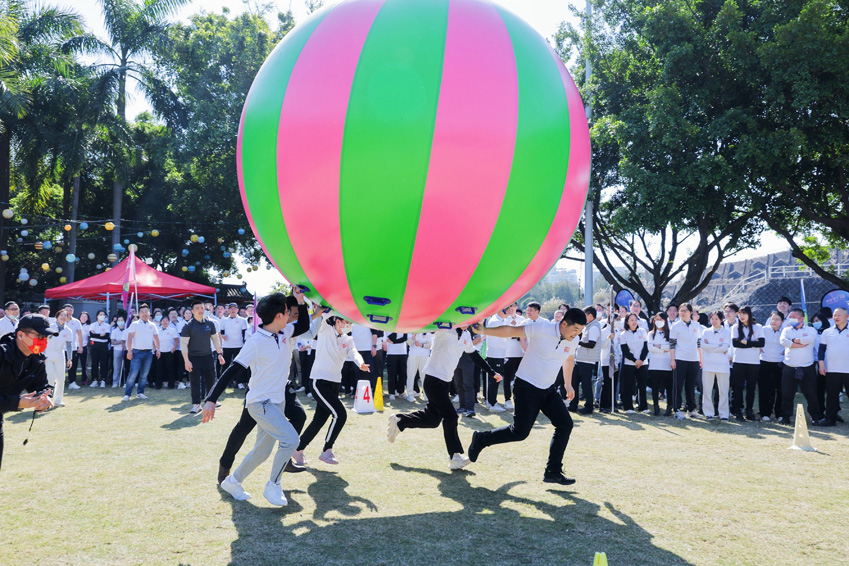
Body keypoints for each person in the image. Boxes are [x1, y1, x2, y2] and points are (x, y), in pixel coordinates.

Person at [204, 291, 308, 506]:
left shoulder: (283, 332)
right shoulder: (256, 341)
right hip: (260, 404)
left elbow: (304, 325)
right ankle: (273, 485)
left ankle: (233, 482)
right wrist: (211, 399)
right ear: (279, 315)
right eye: (288, 312)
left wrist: (300, 300)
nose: (291, 316)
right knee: (291, 440)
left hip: (277, 402)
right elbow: (231, 370)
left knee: (262, 451)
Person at [467, 308, 587, 485]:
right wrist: (484, 331)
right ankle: (481, 439)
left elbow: (568, 359)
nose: (577, 334)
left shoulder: (574, 340)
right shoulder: (541, 328)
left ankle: (553, 471)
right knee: (519, 432)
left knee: (565, 424)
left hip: (547, 388)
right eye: (575, 329)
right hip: (526, 386)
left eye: (581, 331)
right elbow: (510, 330)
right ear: (564, 324)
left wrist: (568, 384)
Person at [389, 324, 501, 469]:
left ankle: (400, 421)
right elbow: (427, 325)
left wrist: (492, 372)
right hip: (433, 379)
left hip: (445, 382)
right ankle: (455, 457)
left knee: (433, 420)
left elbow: (474, 355)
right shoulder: (445, 327)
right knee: (451, 417)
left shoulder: (466, 335)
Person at [295, 311, 369, 465]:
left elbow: (354, 353)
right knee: (340, 415)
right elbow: (325, 314)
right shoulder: (324, 330)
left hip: (334, 383)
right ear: (337, 321)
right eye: (346, 321)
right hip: (319, 381)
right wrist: (336, 308)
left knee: (318, 421)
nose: (348, 325)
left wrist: (360, 363)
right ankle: (327, 450)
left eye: (350, 322)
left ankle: (298, 449)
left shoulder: (348, 339)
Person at [0, 314, 55, 470]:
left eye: (45, 337)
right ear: (20, 334)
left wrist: (44, 397)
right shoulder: (2, 354)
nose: (43, 340)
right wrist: (17, 402)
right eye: (38, 335)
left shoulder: (35, 360)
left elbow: (43, 385)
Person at [778, 308, 823, 425]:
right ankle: (785, 416)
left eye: (795, 317)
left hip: (807, 367)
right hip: (789, 366)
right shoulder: (786, 330)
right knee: (787, 393)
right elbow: (783, 341)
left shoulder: (811, 329)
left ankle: (815, 416)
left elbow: (809, 339)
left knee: (811, 393)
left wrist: (793, 341)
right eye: (790, 317)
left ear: (802, 318)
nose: (791, 319)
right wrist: (797, 344)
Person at [181, 301, 225, 413]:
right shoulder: (188, 326)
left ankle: (211, 401)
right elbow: (184, 344)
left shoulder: (210, 324)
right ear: (192, 311)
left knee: (211, 380)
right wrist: (186, 361)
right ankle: (196, 404)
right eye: (197, 308)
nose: (200, 310)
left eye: (202, 308)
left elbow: (215, 339)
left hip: (208, 356)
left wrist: (219, 354)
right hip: (193, 357)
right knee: (195, 381)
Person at [669, 303, 703, 418]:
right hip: (680, 358)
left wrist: (700, 359)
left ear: (690, 312)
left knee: (691, 385)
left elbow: (699, 343)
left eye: (685, 310)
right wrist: (672, 360)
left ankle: (692, 409)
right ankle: (677, 409)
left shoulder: (696, 325)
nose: (682, 313)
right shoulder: (675, 326)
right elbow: (672, 344)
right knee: (678, 386)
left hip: (694, 359)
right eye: (681, 310)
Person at [123, 304, 161, 401]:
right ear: (139, 314)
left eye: (146, 312)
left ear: (149, 313)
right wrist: (129, 351)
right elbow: (130, 338)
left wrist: (158, 349)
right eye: (142, 312)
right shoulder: (134, 324)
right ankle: (127, 394)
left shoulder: (153, 325)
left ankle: (140, 393)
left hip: (148, 353)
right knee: (133, 374)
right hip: (136, 352)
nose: (144, 314)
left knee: (144, 375)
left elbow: (156, 338)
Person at [819, 307, 849, 426]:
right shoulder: (827, 332)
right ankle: (830, 419)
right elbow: (822, 350)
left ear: (847, 317)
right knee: (832, 395)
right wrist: (821, 364)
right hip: (832, 369)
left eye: (839, 315)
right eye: (835, 315)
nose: (836, 317)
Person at [701, 311, 731, 420]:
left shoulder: (726, 332)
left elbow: (724, 348)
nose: (714, 321)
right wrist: (717, 346)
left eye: (716, 319)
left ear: (721, 320)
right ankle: (708, 413)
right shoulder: (706, 331)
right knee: (707, 390)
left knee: (723, 390)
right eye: (712, 319)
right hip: (708, 364)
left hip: (722, 366)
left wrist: (710, 346)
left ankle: (724, 414)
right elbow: (703, 345)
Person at [571, 306, 601, 414]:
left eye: (584, 315)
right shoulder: (588, 326)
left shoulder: (594, 327)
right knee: (574, 382)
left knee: (586, 384)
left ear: (590, 316)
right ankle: (573, 405)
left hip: (587, 360)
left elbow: (591, 344)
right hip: (581, 359)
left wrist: (577, 342)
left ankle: (589, 407)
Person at [620, 313, 649, 414]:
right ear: (627, 322)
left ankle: (643, 406)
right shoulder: (623, 334)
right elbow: (625, 351)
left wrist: (640, 360)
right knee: (628, 385)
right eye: (631, 320)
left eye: (635, 320)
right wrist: (635, 360)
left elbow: (646, 348)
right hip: (629, 363)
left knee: (642, 385)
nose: (634, 322)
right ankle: (628, 407)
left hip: (643, 363)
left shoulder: (643, 332)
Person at [500, 302, 527, 412]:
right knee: (507, 377)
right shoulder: (504, 319)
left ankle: (520, 398)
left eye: (513, 306)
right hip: (508, 353)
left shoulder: (522, 319)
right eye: (509, 306)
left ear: (516, 307)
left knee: (521, 377)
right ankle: (507, 399)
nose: (511, 308)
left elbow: (525, 333)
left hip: (521, 353)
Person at [44, 309, 73, 407]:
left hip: (60, 357)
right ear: (57, 316)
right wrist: (42, 355)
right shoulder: (50, 327)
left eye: (65, 316)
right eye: (61, 315)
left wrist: (70, 359)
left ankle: (58, 400)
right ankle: (48, 399)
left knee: (61, 379)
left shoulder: (68, 330)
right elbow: (42, 340)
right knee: (50, 379)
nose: (63, 317)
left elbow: (69, 345)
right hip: (48, 356)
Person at [759, 310, 785, 422]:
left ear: (782, 321)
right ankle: (765, 413)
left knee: (780, 389)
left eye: (777, 319)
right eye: (773, 319)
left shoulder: (785, 331)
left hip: (780, 363)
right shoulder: (763, 330)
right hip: (764, 362)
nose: (774, 321)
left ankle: (779, 413)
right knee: (765, 389)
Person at [647, 313, 673, 416]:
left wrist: (658, 346)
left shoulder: (670, 333)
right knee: (655, 387)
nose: (658, 321)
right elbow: (650, 348)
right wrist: (663, 349)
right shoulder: (651, 334)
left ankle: (669, 407)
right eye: (656, 319)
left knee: (669, 387)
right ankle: (656, 407)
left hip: (667, 364)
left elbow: (671, 347)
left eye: (660, 319)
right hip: (655, 364)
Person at [219, 302, 248, 371]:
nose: (233, 310)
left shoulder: (242, 320)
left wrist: (244, 344)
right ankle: (225, 381)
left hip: (238, 345)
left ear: (237, 310)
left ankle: (239, 381)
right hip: (226, 345)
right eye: (231, 308)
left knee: (238, 364)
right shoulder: (224, 320)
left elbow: (244, 333)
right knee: (225, 364)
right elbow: (221, 332)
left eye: (234, 308)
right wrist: (223, 336)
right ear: (228, 310)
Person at [405, 332, 432, 402]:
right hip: (413, 355)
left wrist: (421, 345)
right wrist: (414, 335)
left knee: (424, 376)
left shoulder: (427, 331)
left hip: (424, 355)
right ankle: (410, 395)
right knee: (411, 375)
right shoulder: (411, 330)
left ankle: (426, 395)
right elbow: (409, 343)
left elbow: (429, 345)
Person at [88, 310, 111, 388]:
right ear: (97, 316)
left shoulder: (107, 326)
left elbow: (106, 336)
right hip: (94, 345)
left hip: (104, 345)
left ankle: (103, 380)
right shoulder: (92, 325)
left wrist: (97, 335)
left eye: (103, 315)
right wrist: (100, 335)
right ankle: (94, 380)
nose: (102, 316)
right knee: (94, 363)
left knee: (104, 363)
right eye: (100, 314)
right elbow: (91, 335)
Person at [63, 304, 84, 390]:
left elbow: (79, 335)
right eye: (67, 309)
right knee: (60, 366)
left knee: (73, 366)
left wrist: (81, 346)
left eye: (70, 310)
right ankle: (59, 382)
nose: (68, 311)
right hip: (60, 347)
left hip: (73, 347)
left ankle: (72, 382)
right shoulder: (58, 320)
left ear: (73, 311)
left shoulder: (76, 321)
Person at [156, 316, 180, 389]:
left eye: (166, 320)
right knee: (159, 369)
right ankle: (158, 385)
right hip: (160, 352)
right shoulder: (158, 330)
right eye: (163, 320)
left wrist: (173, 349)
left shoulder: (172, 330)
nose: (165, 322)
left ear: (169, 322)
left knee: (170, 369)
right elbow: (155, 341)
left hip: (169, 352)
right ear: (161, 322)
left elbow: (177, 341)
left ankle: (171, 385)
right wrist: (157, 350)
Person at [384, 331, 409, 400]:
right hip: (391, 353)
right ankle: (392, 393)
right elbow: (393, 337)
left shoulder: (403, 328)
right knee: (392, 374)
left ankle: (401, 392)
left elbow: (404, 338)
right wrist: (394, 340)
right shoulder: (389, 328)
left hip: (403, 353)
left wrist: (394, 342)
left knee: (402, 374)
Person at [110, 317, 126, 388]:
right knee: (116, 367)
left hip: (126, 350)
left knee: (126, 367)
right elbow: (113, 342)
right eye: (119, 320)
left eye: (122, 320)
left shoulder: (127, 330)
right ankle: (115, 382)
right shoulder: (114, 331)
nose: (120, 321)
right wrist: (121, 341)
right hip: (117, 350)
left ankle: (125, 382)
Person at [77, 311, 91, 385]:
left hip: (84, 347)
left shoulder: (89, 326)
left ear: (87, 318)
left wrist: (87, 346)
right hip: (75, 347)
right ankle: (72, 380)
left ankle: (84, 379)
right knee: (74, 364)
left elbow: (90, 337)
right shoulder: (76, 324)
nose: (83, 318)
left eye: (85, 316)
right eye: (82, 316)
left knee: (84, 365)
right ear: (79, 317)